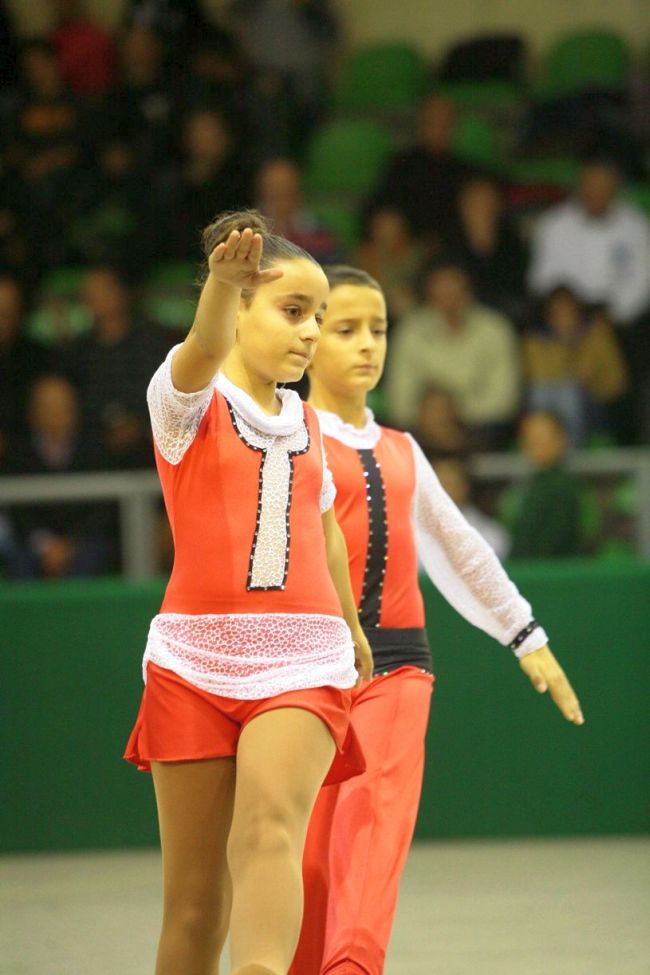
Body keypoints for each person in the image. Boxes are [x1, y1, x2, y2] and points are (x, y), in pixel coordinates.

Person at [290, 265, 583, 975]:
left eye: (379, 328)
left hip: (398, 670)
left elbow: (462, 550)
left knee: (370, 833)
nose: (368, 344)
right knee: (307, 860)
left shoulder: (402, 448)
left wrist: (526, 635)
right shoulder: (283, 437)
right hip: (305, 674)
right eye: (346, 329)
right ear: (309, 338)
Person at [123, 210, 373, 975]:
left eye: (319, 316)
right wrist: (221, 286)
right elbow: (202, 347)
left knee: (266, 831)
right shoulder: (183, 402)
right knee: (194, 905)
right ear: (237, 307)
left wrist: (352, 626)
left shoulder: (310, 421)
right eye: (293, 311)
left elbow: (325, 526)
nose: (311, 333)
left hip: (303, 660)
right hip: (189, 664)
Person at [386, 260, 521, 449]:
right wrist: (432, 415)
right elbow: (400, 399)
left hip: (478, 426)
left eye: (454, 290)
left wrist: (454, 413)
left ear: (468, 290)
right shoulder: (410, 331)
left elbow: (504, 399)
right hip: (421, 427)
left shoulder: (495, 328)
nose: (449, 298)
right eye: (441, 291)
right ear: (429, 293)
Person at [528, 159, 650, 328]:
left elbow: (641, 282)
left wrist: (613, 314)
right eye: (590, 185)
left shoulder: (637, 227)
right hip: (565, 316)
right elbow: (543, 278)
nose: (595, 192)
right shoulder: (553, 223)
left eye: (602, 186)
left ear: (615, 187)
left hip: (620, 318)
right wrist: (569, 311)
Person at [522, 287, 628, 446]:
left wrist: (589, 381)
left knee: (570, 392)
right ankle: (541, 443)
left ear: (578, 312)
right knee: (542, 391)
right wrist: (565, 349)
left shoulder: (596, 337)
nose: (564, 317)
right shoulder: (535, 340)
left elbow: (616, 382)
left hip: (592, 405)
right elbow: (535, 376)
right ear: (548, 316)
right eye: (557, 312)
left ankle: (570, 447)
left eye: (568, 311)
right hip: (547, 404)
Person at [509, 411, 584, 559]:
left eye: (541, 438)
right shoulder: (532, 484)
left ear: (561, 440)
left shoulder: (562, 486)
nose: (534, 445)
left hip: (548, 570)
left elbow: (551, 543)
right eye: (530, 438)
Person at [255, 158, 344, 265]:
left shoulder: (320, 234)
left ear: (298, 189)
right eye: (275, 190)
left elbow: (334, 268)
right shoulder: (251, 231)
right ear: (262, 191)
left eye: (287, 189)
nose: (282, 196)